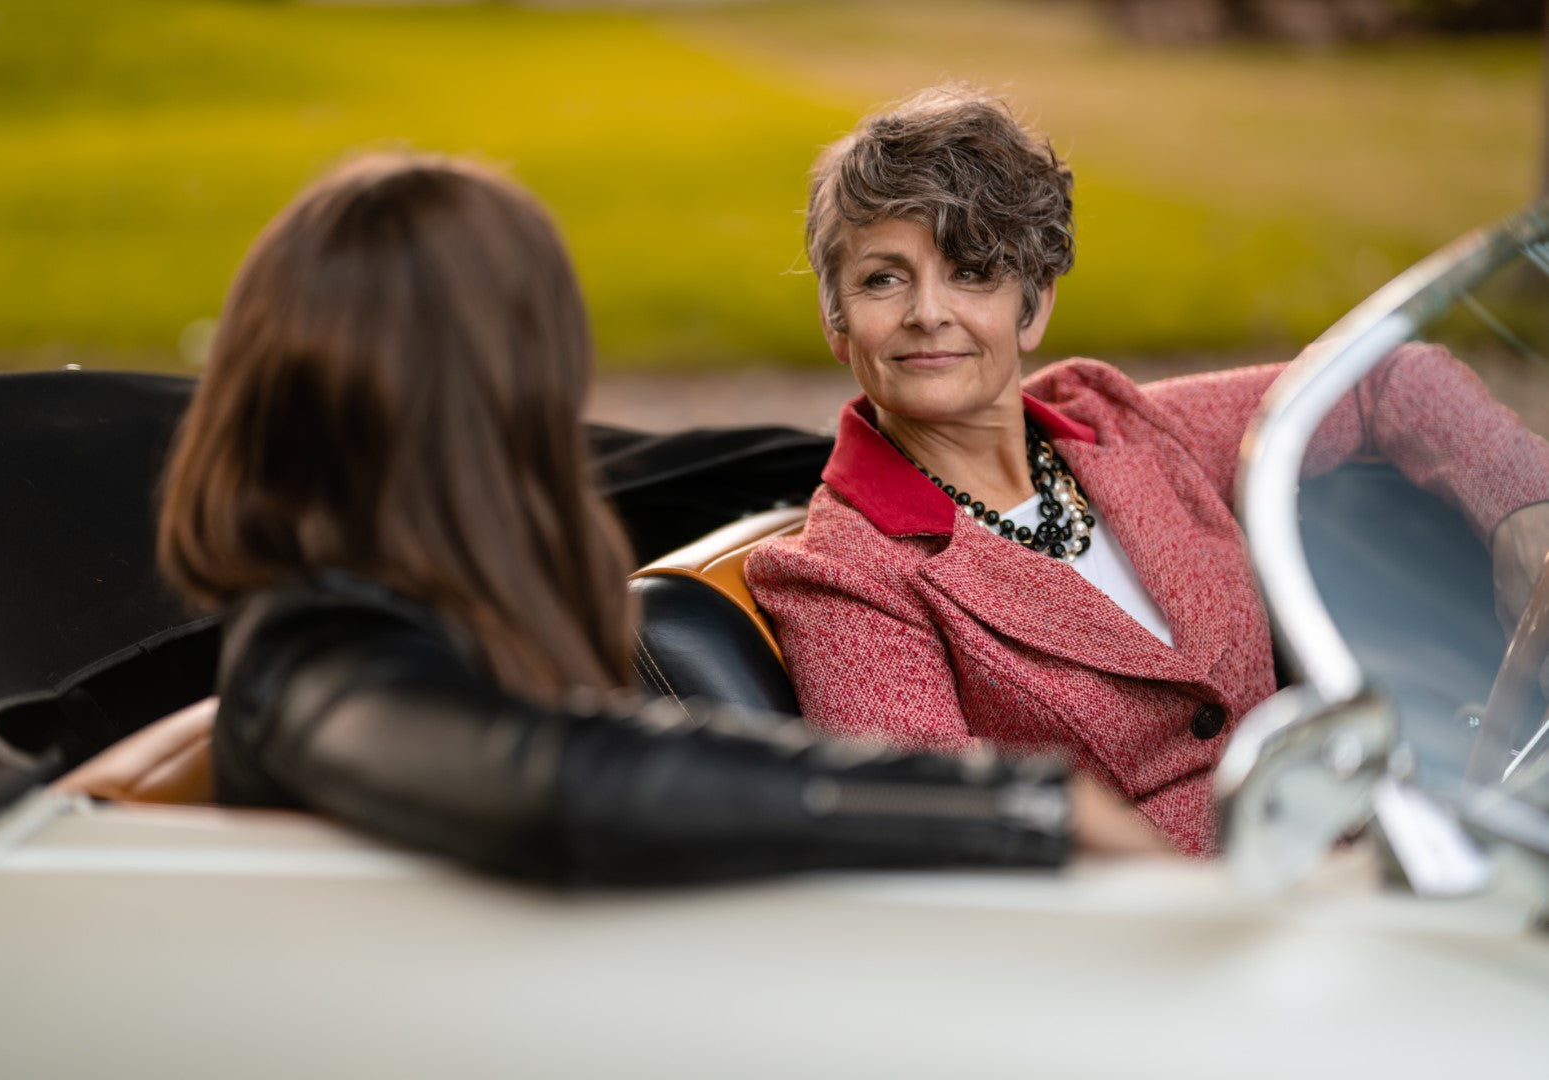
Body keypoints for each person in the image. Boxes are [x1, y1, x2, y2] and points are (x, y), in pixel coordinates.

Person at [156, 151, 1164, 886]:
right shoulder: (312, 652)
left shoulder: (430, 610)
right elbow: (560, 783)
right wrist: (1027, 806)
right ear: (485, 392)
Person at [744, 85, 1549, 856]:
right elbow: (950, 832)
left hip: (1385, 845)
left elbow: (1383, 376)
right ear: (836, 319)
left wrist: (1521, 506)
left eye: (971, 271)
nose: (927, 312)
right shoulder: (842, 579)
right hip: (1170, 953)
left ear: (1034, 305)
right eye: (883, 279)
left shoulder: (1113, 422)